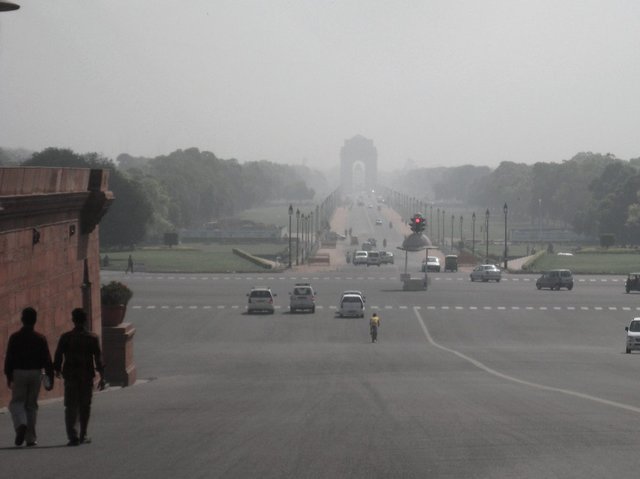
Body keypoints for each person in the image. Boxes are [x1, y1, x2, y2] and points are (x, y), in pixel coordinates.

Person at [54, 308, 106, 446]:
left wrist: (57, 369)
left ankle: (73, 435)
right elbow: (98, 358)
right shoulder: (92, 338)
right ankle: (83, 433)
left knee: (70, 405)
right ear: (85, 320)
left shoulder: (66, 337)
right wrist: (102, 375)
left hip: (71, 376)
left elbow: (58, 355)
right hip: (86, 376)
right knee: (85, 405)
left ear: (73, 320)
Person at [4, 307, 54, 447]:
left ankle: (21, 424)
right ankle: (31, 438)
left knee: (17, 403)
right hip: (36, 373)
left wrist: (8, 375)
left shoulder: (15, 337)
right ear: (35, 320)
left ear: (22, 319)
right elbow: (47, 360)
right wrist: (49, 378)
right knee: (31, 405)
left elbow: (9, 358)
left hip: (19, 372)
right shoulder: (40, 338)